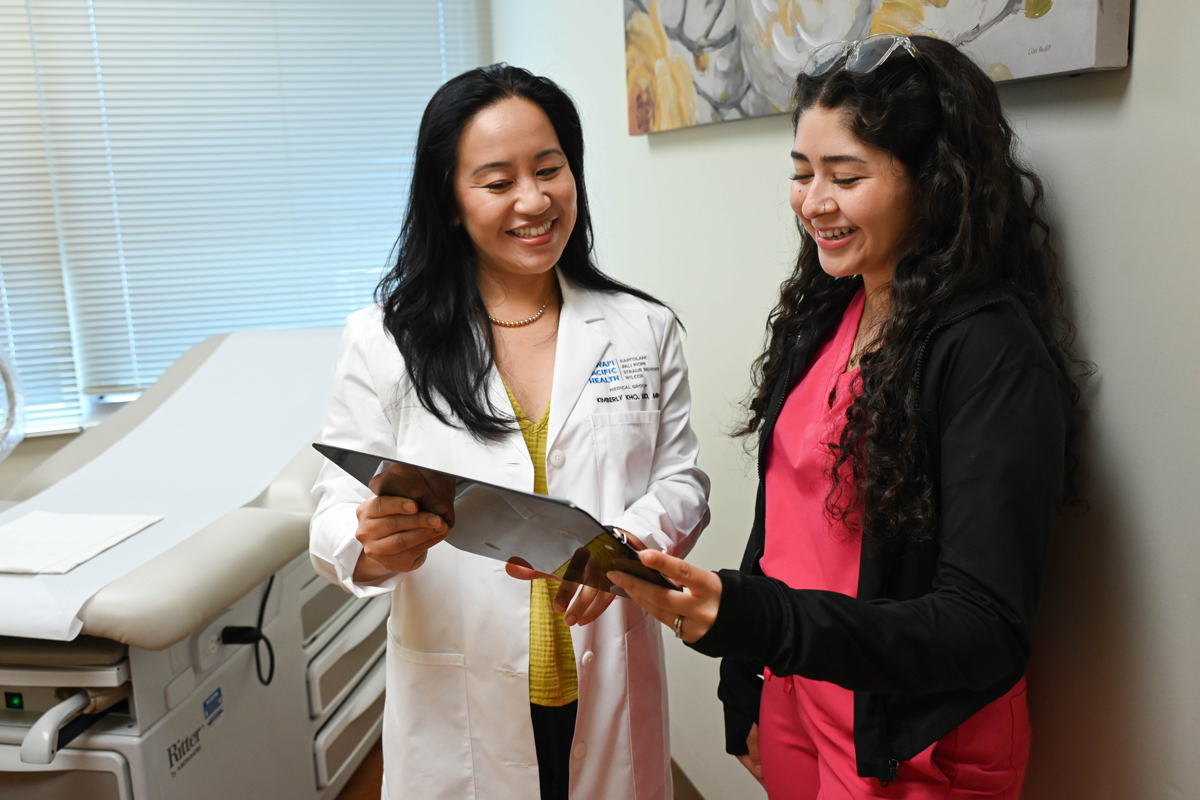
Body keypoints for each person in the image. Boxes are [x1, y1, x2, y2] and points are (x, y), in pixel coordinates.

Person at [609, 35, 1085, 799]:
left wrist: (758, 624)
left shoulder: (991, 354)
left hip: (914, 743)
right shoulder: (832, 305)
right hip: (798, 698)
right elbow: (785, 519)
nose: (813, 203)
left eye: (846, 176)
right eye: (801, 174)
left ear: (935, 180)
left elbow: (984, 626)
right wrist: (748, 679)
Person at [309, 64, 710, 800]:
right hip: (459, 697)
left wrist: (623, 543)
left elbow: (682, 479)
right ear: (451, 203)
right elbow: (333, 509)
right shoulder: (383, 340)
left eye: (550, 169)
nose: (534, 200)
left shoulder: (642, 329)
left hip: (605, 675)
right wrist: (367, 541)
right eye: (497, 183)